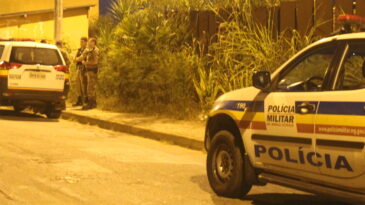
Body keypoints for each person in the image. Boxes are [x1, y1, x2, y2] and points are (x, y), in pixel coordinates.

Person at [77, 37, 99, 110]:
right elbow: (81, 57)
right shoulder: (88, 50)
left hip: (93, 71)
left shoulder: (95, 50)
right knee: (88, 87)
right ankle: (91, 103)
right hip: (88, 71)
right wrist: (80, 58)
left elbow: (95, 62)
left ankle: (91, 103)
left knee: (91, 88)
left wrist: (86, 63)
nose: (89, 43)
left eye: (90, 42)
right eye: (88, 42)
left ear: (94, 43)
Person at [72, 37, 88, 106]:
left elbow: (81, 58)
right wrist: (77, 59)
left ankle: (85, 100)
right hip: (78, 68)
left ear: (86, 42)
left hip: (84, 69)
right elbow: (75, 59)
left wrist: (78, 59)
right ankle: (79, 99)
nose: (81, 43)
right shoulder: (79, 50)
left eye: (82, 42)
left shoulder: (86, 50)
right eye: (80, 42)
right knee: (77, 85)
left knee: (83, 85)